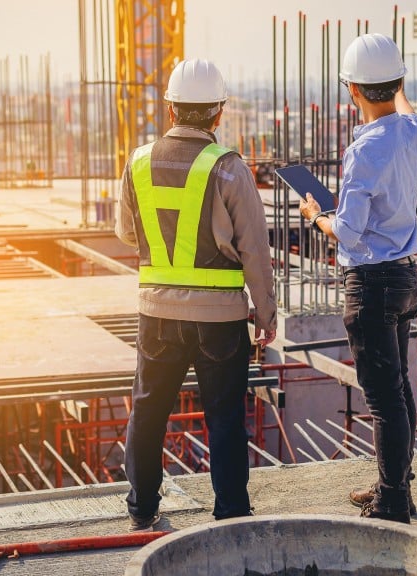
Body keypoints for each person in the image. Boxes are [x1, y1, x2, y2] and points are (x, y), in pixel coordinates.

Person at [116, 59, 277, 530]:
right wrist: (265, 314)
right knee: (224, 418)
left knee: (148, 410)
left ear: (170, 109)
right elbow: (255, 251)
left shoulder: (138, 161)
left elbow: (127, 232)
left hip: (157, 314)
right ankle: (230, 513)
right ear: (218, 113)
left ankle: (142, 508)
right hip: (220, 320)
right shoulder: (228, 169)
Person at [298, 33, 417, 524]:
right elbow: (405, 108)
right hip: (405, 278)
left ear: (351, 90)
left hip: (371, 284)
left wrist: (314, 214)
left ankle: (392, 501)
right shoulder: (411, 132)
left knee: (384, 398)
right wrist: (395, 81)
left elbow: (348, 235)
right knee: (398, 390)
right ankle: (396, 486)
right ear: (396, 83)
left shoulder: (365, 149)